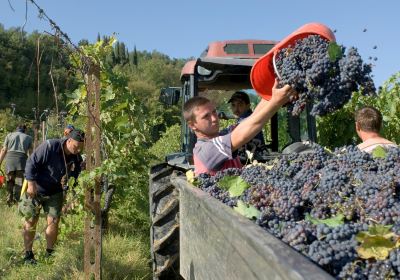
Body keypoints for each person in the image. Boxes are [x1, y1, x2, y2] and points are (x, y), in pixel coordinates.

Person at [184, 80, 294, 175]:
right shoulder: (206, 149)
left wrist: (272, 93)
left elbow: (253, 118)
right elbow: (248, 129)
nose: (214, 118)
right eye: (206, 116)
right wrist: (276, 101)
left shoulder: (222, 136)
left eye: (214, 112)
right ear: (192, 125)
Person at [19, 129, 85, 264]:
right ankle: (28, 255)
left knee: (54, 222)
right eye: (76, 146)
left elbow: (75, 177)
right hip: (36, 188)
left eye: (80, 148)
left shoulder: (76, 156)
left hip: (55, 192)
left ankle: (50, 253)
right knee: (31, 221)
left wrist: (73, 193)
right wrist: (31, 184)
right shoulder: (50, 146)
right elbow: (31, 163)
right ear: (69, 140)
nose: (78, 150)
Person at [0, 124, 33, 206]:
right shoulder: (28, 138)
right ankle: (18, 202)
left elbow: (4, 150)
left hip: (10, 161)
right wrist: (31, 165)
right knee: (19, 183)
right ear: (25, 130)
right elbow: (31, 153)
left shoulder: (9, 135)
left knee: (9, 181)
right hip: (21, 162)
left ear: (16, 129)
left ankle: (9, 199)